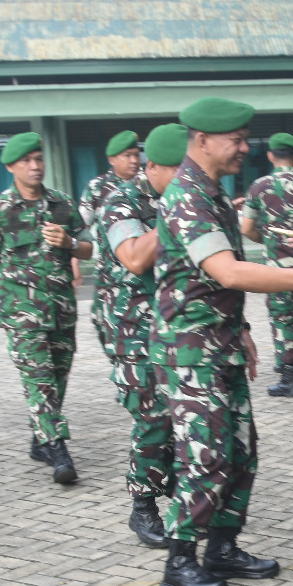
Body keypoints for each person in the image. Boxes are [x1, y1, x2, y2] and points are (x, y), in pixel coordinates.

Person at [152, 99, 293, 586]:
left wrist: (240, 326)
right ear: (202, 140)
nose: (245, 148)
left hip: (220, 344)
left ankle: (222, 547)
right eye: (236, 140)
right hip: (190, 352)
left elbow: (212, 280)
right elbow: (227, 271)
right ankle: (180, 562)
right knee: (205, 454)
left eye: (246, 139)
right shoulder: (187, 196)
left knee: (240, 451)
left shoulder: (214, 194)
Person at [0, 131, 92, 486]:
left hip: (61, 308)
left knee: (57, 376)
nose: (35, 166)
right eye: (26, 161)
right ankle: (58, 450)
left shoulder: (62, 204)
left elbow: (88, 249)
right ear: (11, 167)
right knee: (38, 379)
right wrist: (12, 291)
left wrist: (69, 242)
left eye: (39, 159)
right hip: (21, 313)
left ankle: (39, 439)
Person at [98, 125, 187, 549]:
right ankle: (144, 504)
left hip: (184, 326)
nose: (185, 178)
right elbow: (134, 258)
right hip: (136, 330)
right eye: (176, 170)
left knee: (185, 416)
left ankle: (181, 493)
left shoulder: (194, 199)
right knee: (153, 417)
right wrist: (175, 209)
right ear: (151, 168)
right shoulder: (123, 202)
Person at [241, 132, 293, 399]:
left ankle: (289, 379)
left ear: (270, 155)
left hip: (277, 268)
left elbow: (247, 228)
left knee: (283, 319)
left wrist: (268, 241)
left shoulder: (258, 186)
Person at [79, 130, 143, 364]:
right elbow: (81, 227)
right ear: (112, 159)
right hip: (109, 275)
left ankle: (130, 367)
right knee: (102, 321)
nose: (134, 160)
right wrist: (74, 260)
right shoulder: (97, 187)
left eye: (136, 154)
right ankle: (118, 363)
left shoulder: (147, 184)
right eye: (127, 155)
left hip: (141, 271)